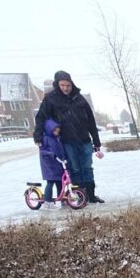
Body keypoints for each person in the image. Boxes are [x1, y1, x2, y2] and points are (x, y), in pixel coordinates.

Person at [34, 70, 103, 202]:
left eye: (68, 85)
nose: (66, 88)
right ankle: (80, 196)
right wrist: (38, 136)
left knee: (87, 168)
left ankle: (91, 195)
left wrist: (96, 141)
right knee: (74, 169)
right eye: (63, 85)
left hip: (84, 140)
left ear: (72, 84)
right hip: (67, 141)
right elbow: (41, 118)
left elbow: (91, 120)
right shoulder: (51, 99)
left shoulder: (79, 98)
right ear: (57, 84)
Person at [39, 119, 67, 207]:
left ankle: (61, 198)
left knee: (60, 182)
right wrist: (51, 154)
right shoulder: (45, 138)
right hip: (49, 165)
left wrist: (63, 157)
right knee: (50, 182)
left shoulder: (57, 139)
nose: (57, 132)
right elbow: (42, 150)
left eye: (58, 131)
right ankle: (47, 201)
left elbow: (61, 150)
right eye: (55, 131)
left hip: (58, 163)